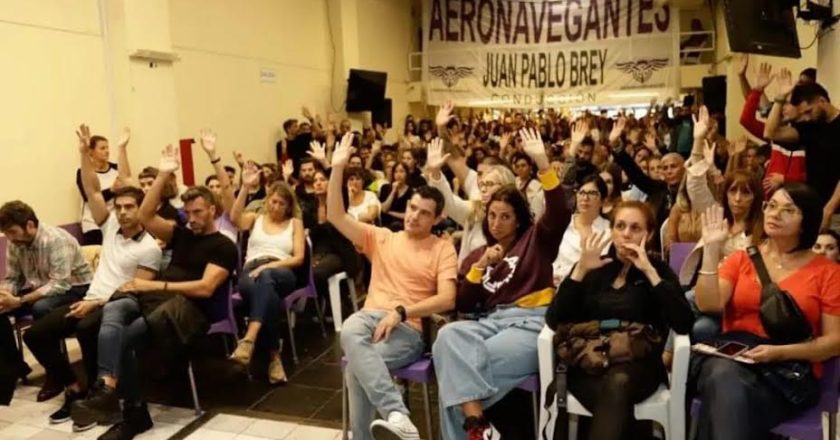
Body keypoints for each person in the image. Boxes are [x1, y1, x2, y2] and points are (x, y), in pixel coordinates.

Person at [70, 145, 238, 440]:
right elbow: (146, 214)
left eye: (199, 212)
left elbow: (205, 287)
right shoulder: (182, 233)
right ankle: (107, 385)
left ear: (213, 210)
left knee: (126, 339)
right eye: (189, 212)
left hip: (186, 311)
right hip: (157, 300)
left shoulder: (224, 246)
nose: (193, 218)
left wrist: (153, 285)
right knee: (113, 309)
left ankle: (135, 414)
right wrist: (163, 174)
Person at [432, 128, 571, 439]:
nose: (496, 223)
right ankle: (479, 426)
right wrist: (480, 268)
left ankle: (476, 426)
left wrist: (543, 165)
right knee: (447, 336)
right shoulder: (479, 255)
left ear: (519, 219)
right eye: (492, 216)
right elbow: (464, 304)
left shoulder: (536, 240)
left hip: (529, 323)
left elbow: (560, 212)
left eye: (505, 216)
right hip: (491, 321)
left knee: (456, 376)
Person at [23, 132, 161, 424]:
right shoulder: (110, 225)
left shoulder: (149, 247)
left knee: (87, 328)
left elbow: (133, 290)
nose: (122, 213)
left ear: (143, 210)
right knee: (35, 334)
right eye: (119, 207)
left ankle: (97, 400)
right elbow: (91, 189)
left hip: (116, 305)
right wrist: (84, 155)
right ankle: (74, 388)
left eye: (129, 207)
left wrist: (96, 304)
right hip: (88, 299)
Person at [328, 132, 458, 440]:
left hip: (408, 330)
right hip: (370, 319)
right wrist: (337, 169)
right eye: (412, 208)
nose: (414, 216)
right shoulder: (382, 236)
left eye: (424, 213)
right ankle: (396, 413)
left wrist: (402, 312)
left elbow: (448, 299)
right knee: (350, 328)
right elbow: (335, 215)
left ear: (437, 218)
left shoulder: (442, 248)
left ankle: (370, 433)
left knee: (356, 369)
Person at [692, 184, 840, 440]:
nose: (774, 214)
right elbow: (708, 304)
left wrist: (778, 352)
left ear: (807, 221)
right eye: (771, 205)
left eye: (788, 210)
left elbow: (834, 342)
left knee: (726, 400)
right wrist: (711, 250)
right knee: (725, 379)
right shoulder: (742, 259)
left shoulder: (828, 273)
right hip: (733, 356)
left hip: (785, 374)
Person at [546, 201, 693, 440]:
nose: (626, 234)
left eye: (635, 228)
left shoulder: (658, 269)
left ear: (649, 234)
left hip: (638, 366)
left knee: (618, 382)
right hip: (589, 364)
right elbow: (554, 320)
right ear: (611, 230)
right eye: (621, 226)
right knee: (613, 391)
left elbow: (683, 323)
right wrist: (580, 271)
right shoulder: (593, 265)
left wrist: (649, 272)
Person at [0, 201, 93, 390]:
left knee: (41, 307)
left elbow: (60, 284)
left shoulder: (56, 239)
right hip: (41, 287)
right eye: (6, 234)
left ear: (30, 225)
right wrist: (5, 295)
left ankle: (55, 374)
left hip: (75, 287)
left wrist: (19, 301)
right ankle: (16, 367)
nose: (10, 238)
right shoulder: (15, 243)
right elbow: (13, 277)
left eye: (12, 232)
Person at [228, 163, 305, 384]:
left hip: (282, 270)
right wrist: (244, 187)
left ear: (288, 206)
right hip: (251, 271)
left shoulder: (295, 223)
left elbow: (298, 258)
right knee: (267, 294)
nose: (276, 206)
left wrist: (269, 267)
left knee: (267, 279)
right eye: (273, 201)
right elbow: (235, 219)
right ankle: (274, 357)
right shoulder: (255, 218)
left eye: (282, 203)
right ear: (267, 200)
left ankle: (249, 338)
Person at [765, 79, 840, 232]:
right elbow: (770, 132)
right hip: (813, 207)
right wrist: (779, 99)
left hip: (835, 212)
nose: (807, 117)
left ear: (822, 101)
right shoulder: (812, 127)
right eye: (803, 113)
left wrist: (829, 209)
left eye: (809, 111)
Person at [426, 140, 516, 265]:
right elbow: (448, 203)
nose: (483, 189)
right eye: (482, 184)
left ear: (505, 186)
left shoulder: (518, 218)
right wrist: (435, 173)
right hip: (468, 277)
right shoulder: (476, 210)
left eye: (489, 184)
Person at [298, 169, 362, 304]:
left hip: (338, 253)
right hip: (316, 253)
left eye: (322, 180)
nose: (318, 183)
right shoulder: (310, 208)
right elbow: (310, 234)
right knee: (299, 272)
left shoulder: (338, 204)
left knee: (316, 273)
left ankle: (328, 308)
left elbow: (342, 187)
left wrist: (326, 164)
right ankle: (317, 310)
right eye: (315, 181)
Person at [552, 175, 611, 285]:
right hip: (555, 286)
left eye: (592, 193)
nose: (585, 198)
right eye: (581, 192)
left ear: (603, 201)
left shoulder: (608, 230)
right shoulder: (562, 223)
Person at [76, 128, 123, 245]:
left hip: (114, 223)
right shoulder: (83, 173)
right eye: (102, 148)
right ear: (91, 152)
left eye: (108, 148)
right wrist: (111, 190)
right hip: (93, 225)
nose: (107, 151)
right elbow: (89, 197)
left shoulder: (117, 169)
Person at [198, 130, 238, 243]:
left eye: (217, 186)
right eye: (211, 186)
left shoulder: (229, 210)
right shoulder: (201, 211)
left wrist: (213, 156)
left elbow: (226, 186)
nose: (214, 189)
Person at [379, 162, 414, 231]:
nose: (398, 174)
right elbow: (383, 209)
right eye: (396, 172)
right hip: (386, 225)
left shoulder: (411, 192)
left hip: (402, 226)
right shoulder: (385, 188)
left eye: (402, 171)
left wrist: (390, 212)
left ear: (406, 174)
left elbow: (407, 215)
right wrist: (393, 190)